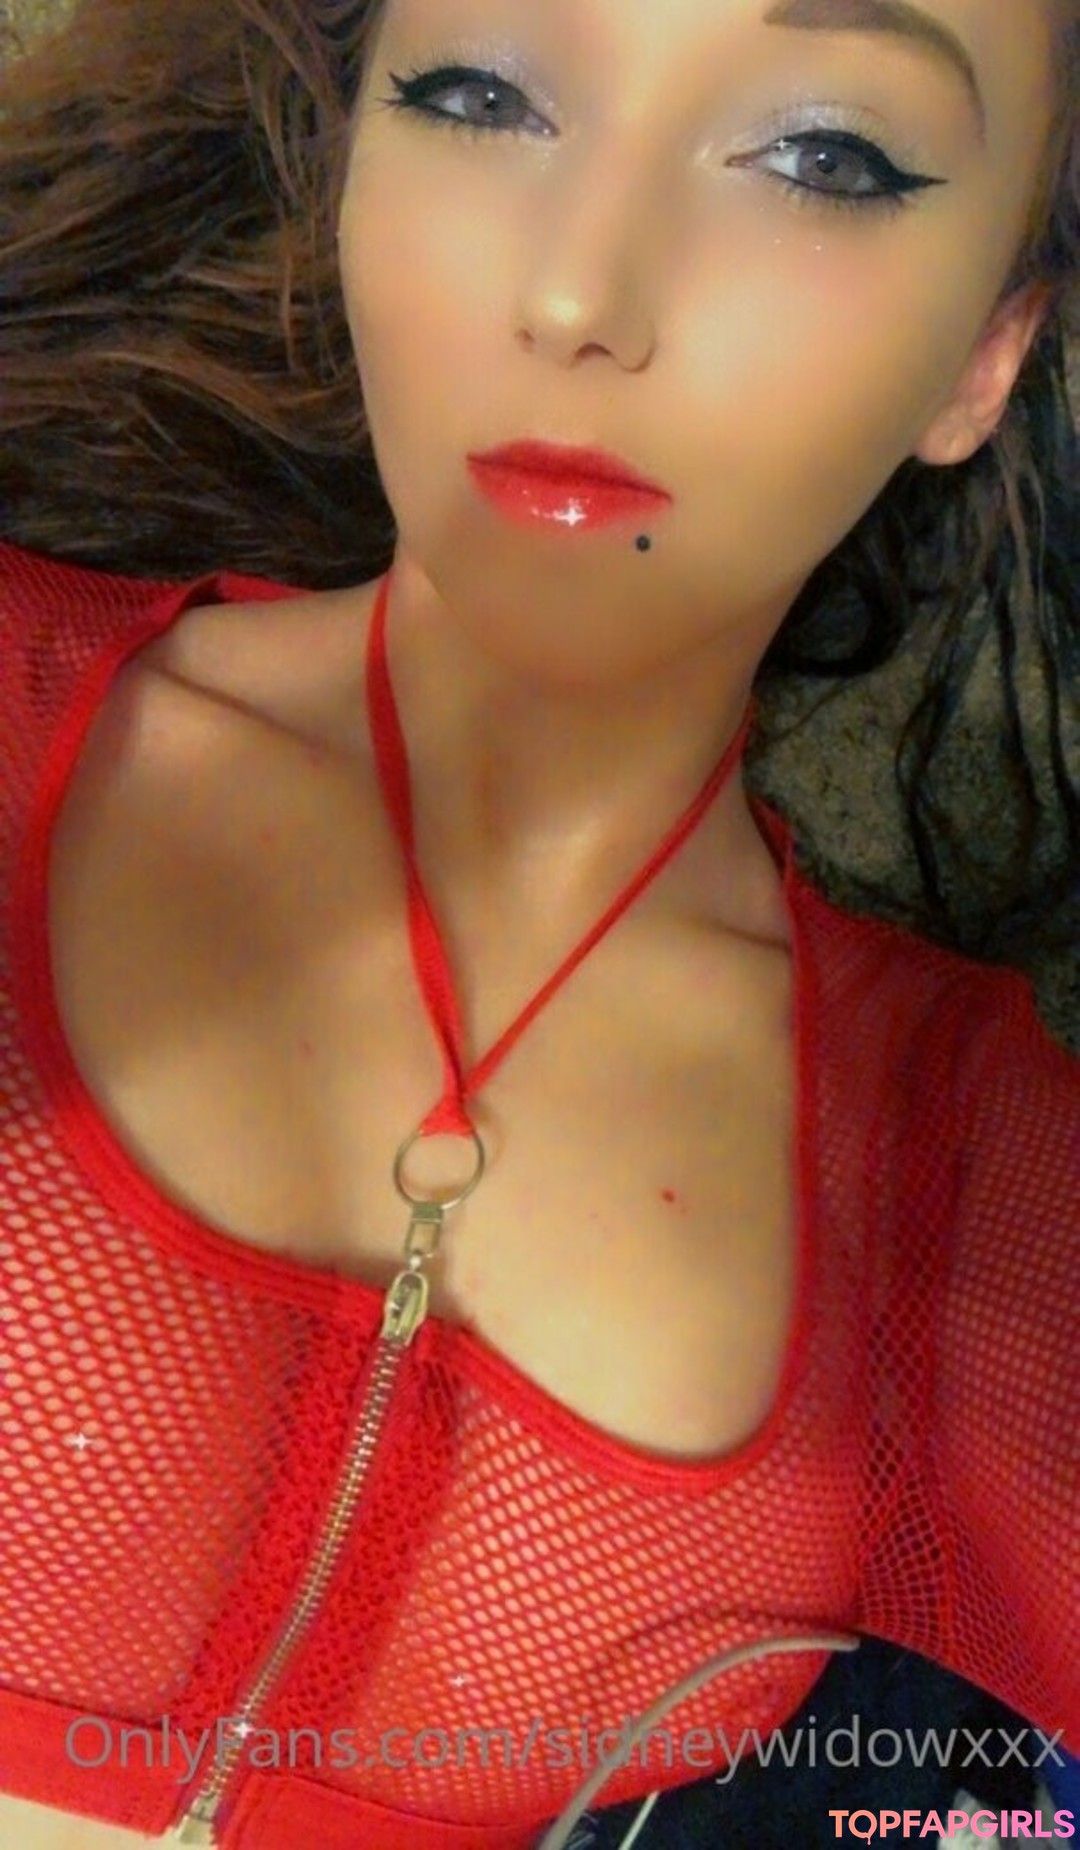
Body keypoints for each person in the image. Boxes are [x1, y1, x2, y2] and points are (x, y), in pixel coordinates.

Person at [0, 2, 1077, 1848]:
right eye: (483, 93)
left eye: (820, 154)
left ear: (982, 359)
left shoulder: (975, 1165)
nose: (581, 291)